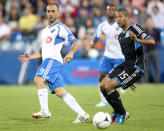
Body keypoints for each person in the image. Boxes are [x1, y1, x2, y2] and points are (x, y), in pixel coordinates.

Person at [18, 3, 89, 124]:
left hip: (53, 60)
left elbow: (75, 42)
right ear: (46, 13)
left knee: (38, 79)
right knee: (59, 91)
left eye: (53, 11)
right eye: (48, 11)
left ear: (58, 13)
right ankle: (83, 114)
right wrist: (29, 57)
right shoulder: (45, 31)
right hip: (49, 60)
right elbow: (41, 51)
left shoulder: (61, 27)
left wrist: (71, 53)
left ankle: (45, 110)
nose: (50, 13)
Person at [99, 8, 155, 124]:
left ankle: (123, 114)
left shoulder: (135, 28)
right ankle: (116, 111)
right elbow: (126, 56)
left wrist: (137, 39)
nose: (117, 20)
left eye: (120, 16)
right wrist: (128, 81)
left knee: (110, 87)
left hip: (136, 67)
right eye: (116, 17)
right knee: (102, 85)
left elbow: (152, 41)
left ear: (127, 17)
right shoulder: (120, 36)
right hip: (126, 65)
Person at [92, 4, 124, 107]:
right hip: (107, 56)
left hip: (120, 56)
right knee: (101, 76)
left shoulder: (121, 24)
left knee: (112, 80)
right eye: (109, 9)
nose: (111, 11)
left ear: (116, 12)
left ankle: (123, 85)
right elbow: (96, 37)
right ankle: (103, 101)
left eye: (113, 10)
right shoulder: (102, 25)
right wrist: (92, 44)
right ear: (106, 12)